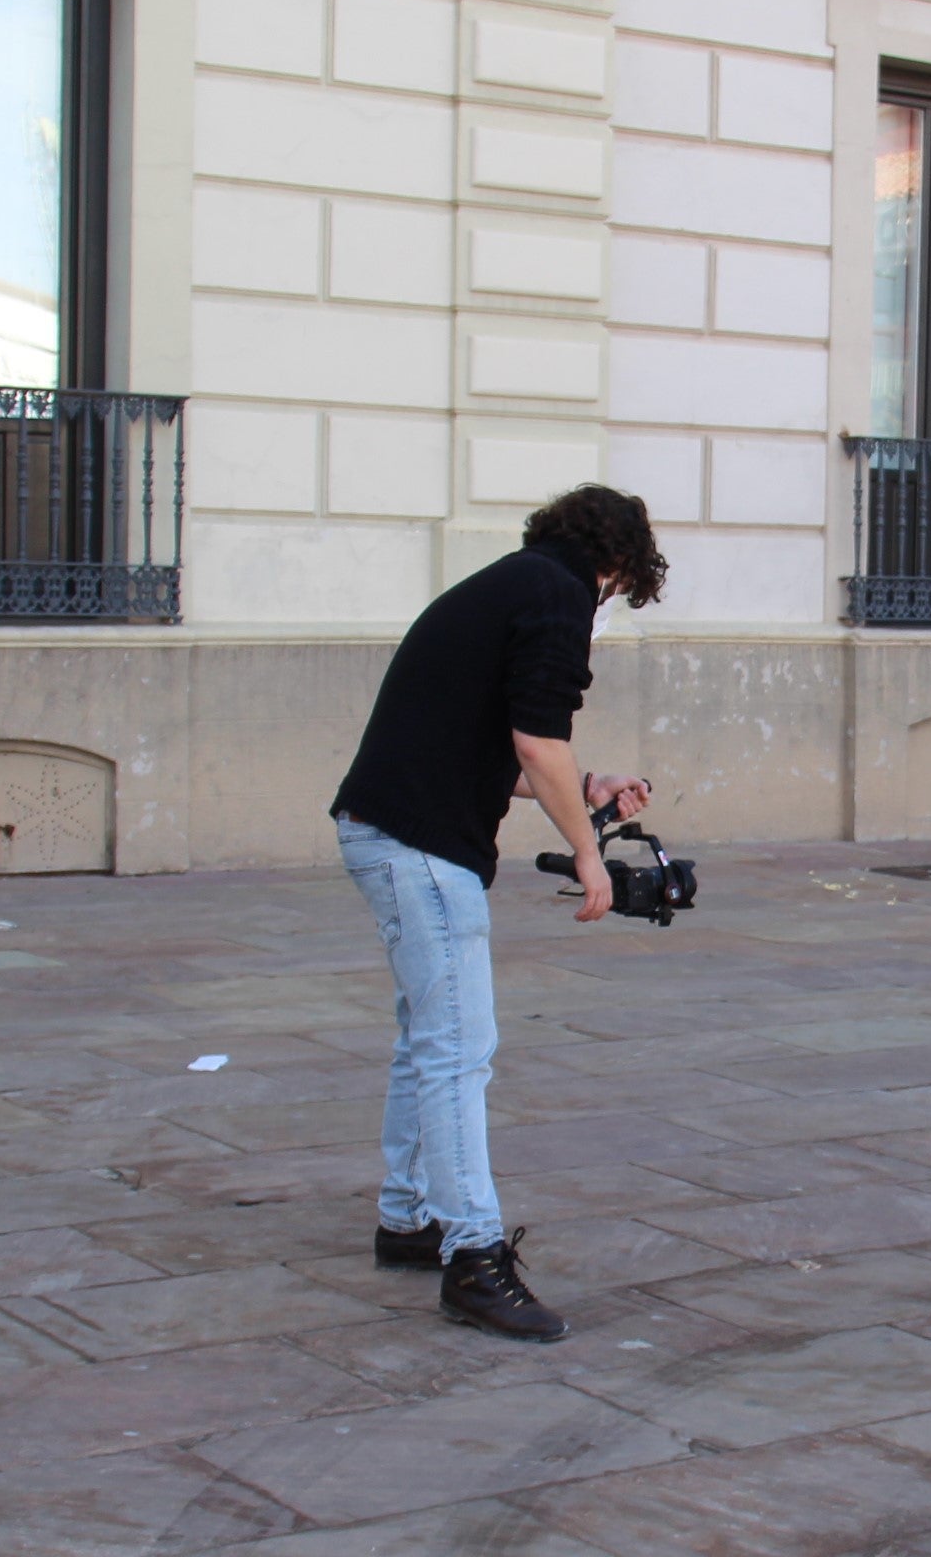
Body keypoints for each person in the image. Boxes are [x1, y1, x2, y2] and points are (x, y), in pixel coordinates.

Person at [329, 485, 668, 1342]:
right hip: (417, 845)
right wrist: (588, 852)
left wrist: (585, 791)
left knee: (427, 1038)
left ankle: (408, 1220)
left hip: (386, 828)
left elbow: (492, 745)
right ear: (617, 565)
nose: (608, 607)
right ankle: (474, 1259)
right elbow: (534, 740)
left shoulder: (512, 582)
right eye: (622, 592)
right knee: (458, 1050)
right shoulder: (558, 595)